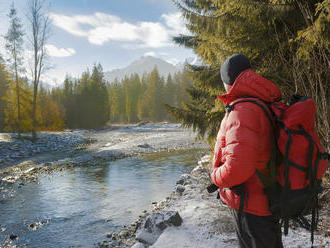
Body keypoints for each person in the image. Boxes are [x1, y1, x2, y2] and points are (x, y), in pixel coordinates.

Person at [210, 54, 284, 248]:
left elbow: (238, 167)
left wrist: (215, 176)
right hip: (266, 196)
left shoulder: (243, 110)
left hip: (251, 203)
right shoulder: (261, 102)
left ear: (229, 80)